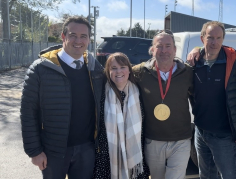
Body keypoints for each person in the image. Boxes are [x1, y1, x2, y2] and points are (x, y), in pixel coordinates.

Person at [20, 16, 105, 179]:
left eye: (83, 36)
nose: (78, 41)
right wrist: (35, 152)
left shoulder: (95, 68)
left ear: (89, 39)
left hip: (87, 150)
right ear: (63, 36)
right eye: (73, 35)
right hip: (53, 151)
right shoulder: (40, 69)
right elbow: (28, 113)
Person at [132, 30, 194, 179]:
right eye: (159, 46)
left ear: (174, 49)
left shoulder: (188, 72)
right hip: (153, 140)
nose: (164, 50)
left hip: (181, 140)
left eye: (168, 46)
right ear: (152, 50)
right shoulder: (139, 72)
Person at [186, 21, 236, 179]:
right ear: (202, 38)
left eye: (219, 38)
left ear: (224, 39)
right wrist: (195, 50)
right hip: (201, 130)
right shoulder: (194, 62)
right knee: (206, 175)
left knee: (229, 176)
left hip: (225, 135)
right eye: (210, 37)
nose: (214, 42)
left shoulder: (234, 61)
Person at [92, 52, 150, 179]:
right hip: (107, 156)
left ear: (129, 70)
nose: (118, 71)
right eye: (114, 68)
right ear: (108, 71)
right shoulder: (101, 93)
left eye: (122, 67)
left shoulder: (139, 92)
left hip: (134, 152)